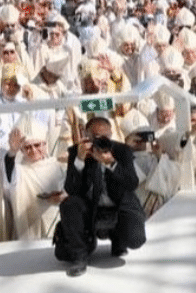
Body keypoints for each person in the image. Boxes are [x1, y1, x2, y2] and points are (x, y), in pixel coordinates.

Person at [53, 115, 146, 276]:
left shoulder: (121, 150)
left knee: (135, 239)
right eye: (96, 138)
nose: (102, 141)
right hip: (90, 207)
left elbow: (132, 183)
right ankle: (80, 255)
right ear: (86, 136)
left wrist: (110, 163)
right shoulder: (77, 151)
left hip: (118, 204)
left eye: (106, 137)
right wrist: (80, 160)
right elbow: (70, 188)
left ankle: (118, 238)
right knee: (69, 205)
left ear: (111, 135)